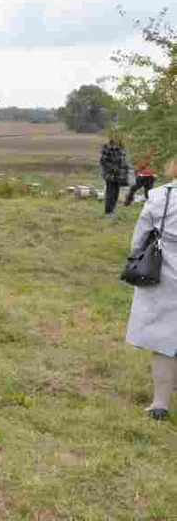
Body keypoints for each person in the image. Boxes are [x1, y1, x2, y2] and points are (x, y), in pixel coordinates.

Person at [125, 161, 177, 421]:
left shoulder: (159, 196)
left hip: (165, 274)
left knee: (165, 342)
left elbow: (138, 240)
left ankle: (160, 404)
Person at [100, 137, 130, 219]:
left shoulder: (121, 148)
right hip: (110, 175)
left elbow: (124, 162)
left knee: (116, 193)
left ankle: (112, 210)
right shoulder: (107, 148)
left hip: (120, 175)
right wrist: (113, 168)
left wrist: (125, 172)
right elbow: (103, 161)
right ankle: (108, 212)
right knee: (110, 193)